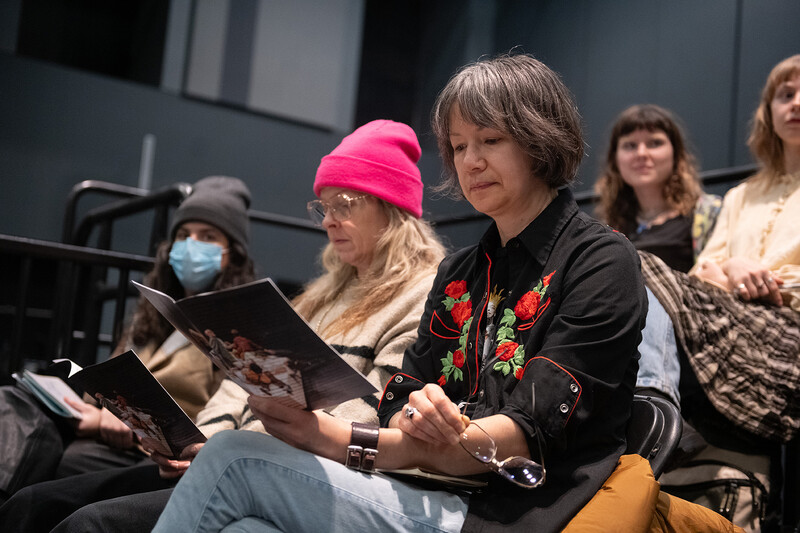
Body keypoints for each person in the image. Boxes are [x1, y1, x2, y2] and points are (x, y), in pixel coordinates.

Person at [152, 53, 647, 533]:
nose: (470, 162)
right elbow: (398, 402)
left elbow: (524, 436)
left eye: (490, 140)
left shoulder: (601, 261)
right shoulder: (459, 271)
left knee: (232, 457)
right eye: (458, 146)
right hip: (419, 487)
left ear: (541, 140)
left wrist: (336, 436)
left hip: (505, 513)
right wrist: (400, 419)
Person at [0, 119, 447, 532]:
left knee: (88, 524)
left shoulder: (421, 296)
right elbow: (237, 384)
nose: (328, 220)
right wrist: (204, 443)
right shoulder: (323, 293)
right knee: (36, 503)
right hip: (229, 457)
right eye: (323, 207)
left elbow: (374, 408)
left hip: (285, 470)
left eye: (343, 204)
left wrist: (233, 451)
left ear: (392, 208)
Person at [0, 175, 255, 503]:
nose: (191, 245)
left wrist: (129, 426)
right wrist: (93, 410)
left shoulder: (236, 329)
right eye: (183, 235)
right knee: (13, 402)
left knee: (57, 463)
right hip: (99, 428)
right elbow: (105, 385)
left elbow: (216, 422)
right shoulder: (153, 313)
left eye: (208, 237)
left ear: (231, 254)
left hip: (151, 454)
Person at [640, 55, 800, 532]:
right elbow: (700, 275)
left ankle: (652, 410)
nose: (796, 103)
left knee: (641, 266)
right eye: (785, 94)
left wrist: (766, 281)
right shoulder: (740, 196)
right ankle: (654, 403)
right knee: (634, 265)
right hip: (731, 317)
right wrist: (731, 267)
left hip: (787, 328)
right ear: (769, 111)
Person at [595, 104, 722, 274]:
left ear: (676, 154)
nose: (641, 153)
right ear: (615, 160)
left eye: (654, 143)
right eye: (630, 145)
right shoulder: (606, 228)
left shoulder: (709, 212)